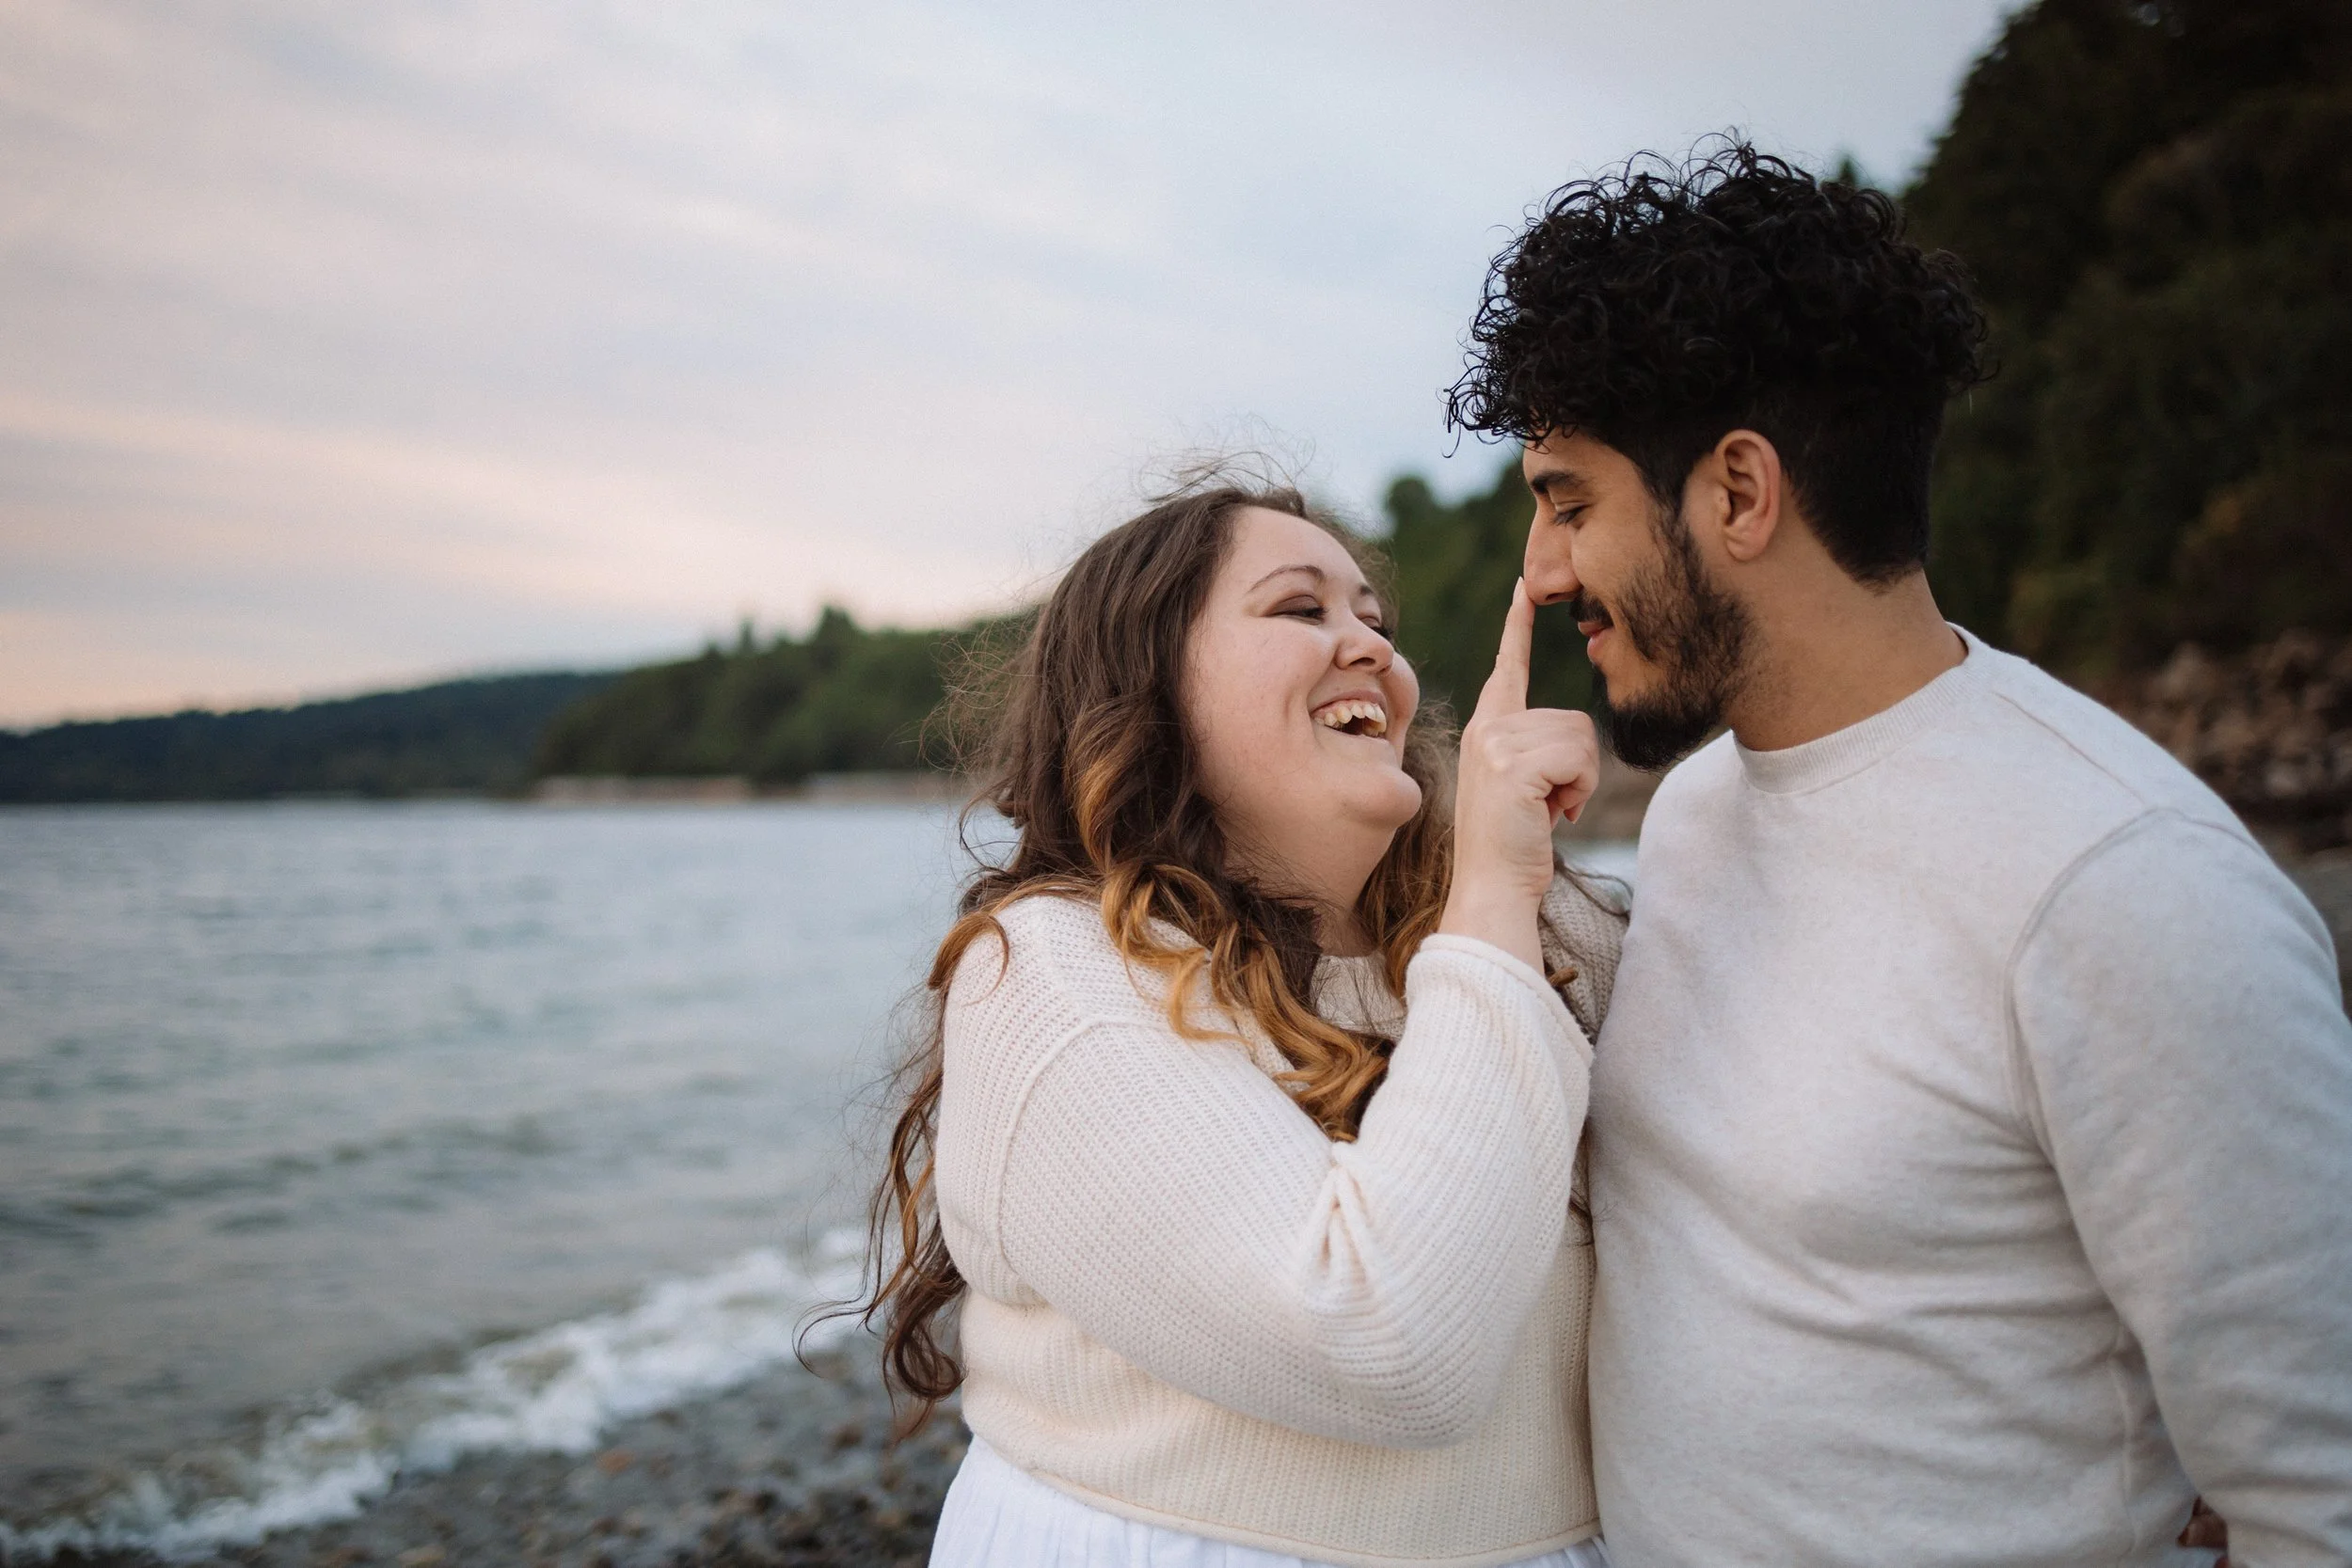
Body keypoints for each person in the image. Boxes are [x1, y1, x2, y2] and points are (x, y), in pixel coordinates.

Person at [1444, 141, 2352, 1567]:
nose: (1545, 574)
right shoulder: (1694, 810)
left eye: (1569, 505)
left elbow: (2320, 1489)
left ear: (1740, 492)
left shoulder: (2124, 887)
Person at [854, 480, 1627, 1567]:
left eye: (1376, 620)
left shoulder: (1550, 932)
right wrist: (1494, 883)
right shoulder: (1053, 973)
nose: (1366, 643)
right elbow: (1388, 1344)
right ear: (1151, 689)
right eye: (1300, 609)